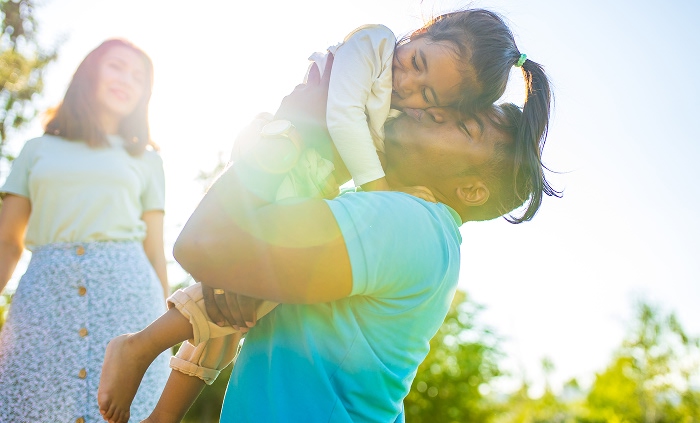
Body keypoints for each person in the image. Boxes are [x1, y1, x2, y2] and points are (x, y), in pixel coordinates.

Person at [97, 8, 557, 423]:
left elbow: (204, 245)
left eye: (464, 124)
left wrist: (289, 127)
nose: (437, 113)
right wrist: (238, 266)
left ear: (472, 189)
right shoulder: (405, 216)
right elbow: (226, 256)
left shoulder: (408, 224)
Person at [0, 38, 170, 422]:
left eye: (139, 76)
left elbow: (155, 252)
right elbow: (7, 244)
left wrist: (160, 339)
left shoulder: (146, 160)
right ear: (89, 73)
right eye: (116, 66)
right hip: (45, 299)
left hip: (128, 297)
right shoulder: (36, 149)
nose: (127, 79)